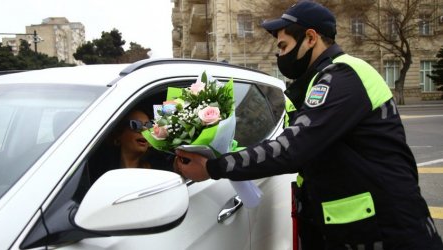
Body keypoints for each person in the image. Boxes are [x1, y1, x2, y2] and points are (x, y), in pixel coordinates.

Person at [174, 1, 443, 249]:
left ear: (311, 38)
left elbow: (292, 148)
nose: (280, 55)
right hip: (351, 229)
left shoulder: (344, 76)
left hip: (388, 232)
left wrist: (213, 167)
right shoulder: (311, 84)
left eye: (283, 46)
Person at [89, 108, 172, 183]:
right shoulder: (98, 169)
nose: (144, 131)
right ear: (119, 134)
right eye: (136, 125)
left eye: (149, 126)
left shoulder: (160, 171)